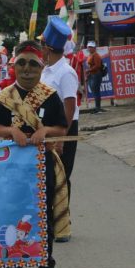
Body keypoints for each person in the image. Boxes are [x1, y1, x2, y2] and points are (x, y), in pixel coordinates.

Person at [0, 40, 68, 268]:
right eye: (21, 63)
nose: (26, 69)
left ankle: (46, 264)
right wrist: (10, 132)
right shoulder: (5, 97)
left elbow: (62, 128)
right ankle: (12, 266)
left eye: (32, 64)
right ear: (14, 65)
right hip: (12, 165)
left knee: (43, 212)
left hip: (41, 162)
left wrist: (45, 131)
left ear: (41, 66)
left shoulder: (50, 96)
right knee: (13, 211)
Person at [40, 18, 78, 242]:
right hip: (49, 129)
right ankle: (52, 220)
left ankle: (64, 223)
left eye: (42, 46)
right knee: (49, 177)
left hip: (65, 128)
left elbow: (70, 105)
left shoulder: (65, 72)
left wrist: (62, 137)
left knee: (63, 175)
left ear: (47, 47)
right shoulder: (46, 71)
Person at [85, 41, 104, 114]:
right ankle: (97, 107)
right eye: (88, 47)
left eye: (91, 47)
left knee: (96, 91)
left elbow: (97, 66)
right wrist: (88, 74)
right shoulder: (90, 55)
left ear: (94, 48)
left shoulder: (96, 55)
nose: (89, 48)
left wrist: (89, 70)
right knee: (94, 91)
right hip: (91, 74)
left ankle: (98, 107)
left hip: (96, 74)